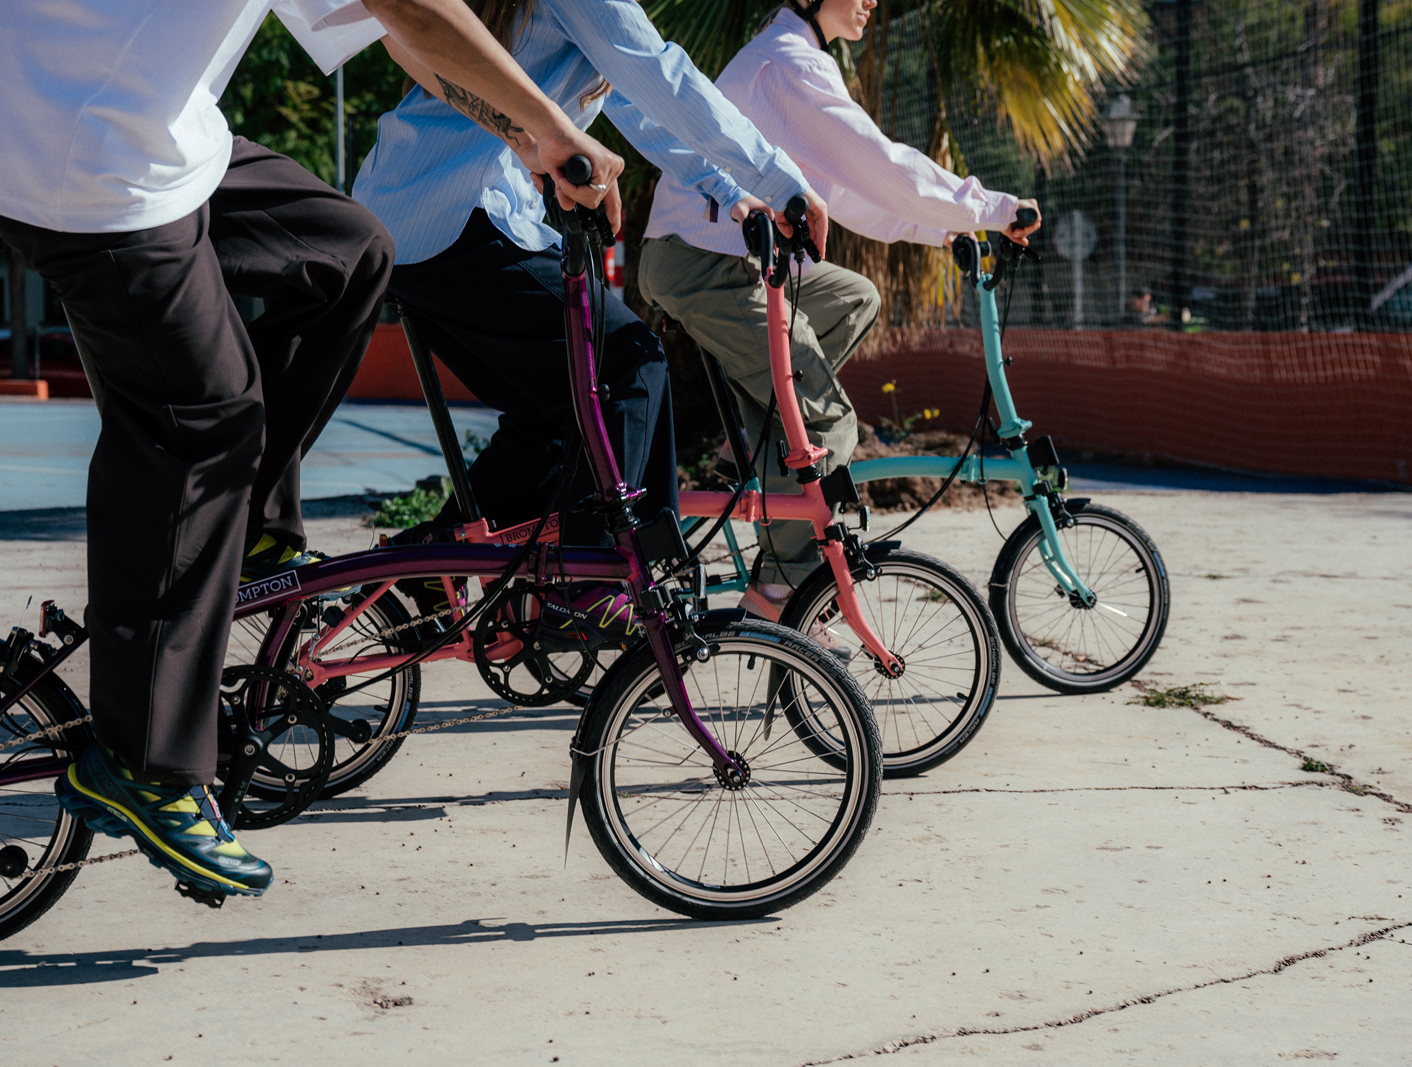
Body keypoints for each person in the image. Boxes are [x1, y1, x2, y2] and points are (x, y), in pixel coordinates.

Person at [2, 0, 620, 901]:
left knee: (349, 252)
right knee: (204, 424)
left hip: (155, 134)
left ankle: (244, 525)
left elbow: (398, 34)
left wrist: (525, 137)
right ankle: (142, 761)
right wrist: (553, 128)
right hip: (82, 162)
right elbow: (415, 7)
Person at [352, 0, 826, 639]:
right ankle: (593, 580)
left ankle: (429, 563)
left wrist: (732, 192)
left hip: (421, 212)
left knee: (557, 413)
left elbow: (640, 103)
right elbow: (661, 74)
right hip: (455, 210)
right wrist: (778, 177)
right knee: (630, 362)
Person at [639, 0, 1040, 621]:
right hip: (706, 262)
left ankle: (759, 436)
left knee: (854, 297)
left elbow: (848, 192)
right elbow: (882, 165)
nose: (873, 1)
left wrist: (941, 230)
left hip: (721, 256)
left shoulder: (789, 57)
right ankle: (778, 596)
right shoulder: (791, 63)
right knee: (826, 428)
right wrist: (993, 208)